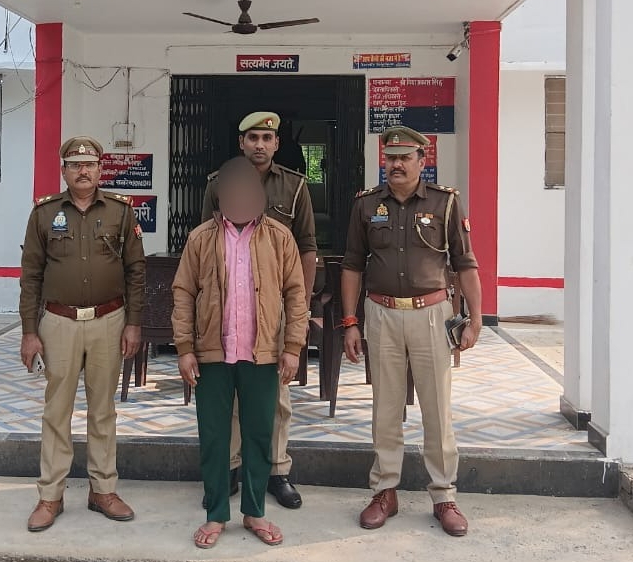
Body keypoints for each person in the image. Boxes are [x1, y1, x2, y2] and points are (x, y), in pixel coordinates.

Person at [340, 125, 482, 537]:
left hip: (432, 315)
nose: (396, 165)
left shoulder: (445, 202)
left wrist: (475, 319)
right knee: (385, 407)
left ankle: (444, 495)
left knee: (437, 408)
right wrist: (350, 322)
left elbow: (465, 263)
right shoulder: (366, 205)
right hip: (381, 314)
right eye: (390, 158)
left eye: (405, 158)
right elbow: (352, 265)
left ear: (423, 161)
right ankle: (384, 491)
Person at [172, 156, 309, 550]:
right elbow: (183, 293)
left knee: (259, 434)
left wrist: (292, 348)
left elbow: (296, 294)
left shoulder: (280, 237)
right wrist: (184, 348)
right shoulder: (200, 238)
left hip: (262, 355)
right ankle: (216, 513)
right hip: (212, 355)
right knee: (215, 436)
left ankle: (254, 511)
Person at [18, 136, 146, 532]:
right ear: (64, 171)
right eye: (75, 165)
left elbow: (136, 271)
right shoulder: (44, 213)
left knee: (102, 410)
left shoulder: (121, 211)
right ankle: (50, 496)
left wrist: (134, 323)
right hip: (58, 323)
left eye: (90, 164)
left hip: (110, 320)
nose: (83, 171)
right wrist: (29, 332)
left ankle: (103, 490)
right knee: (57, 410)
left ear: (100, 169)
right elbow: (30, 276)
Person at [200, 111, 317, 509]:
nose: (260, 145)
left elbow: (307, 247)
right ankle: (232, 467)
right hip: (228, 305)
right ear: (241, 143)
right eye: (252, 137)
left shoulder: (294, 187)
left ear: (277, 144)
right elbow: (205, 243)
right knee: (231, 390)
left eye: (267, 138)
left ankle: (276, 470)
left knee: (276, 394)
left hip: (274, 308)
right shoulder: (218, 184)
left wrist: (299, 310)